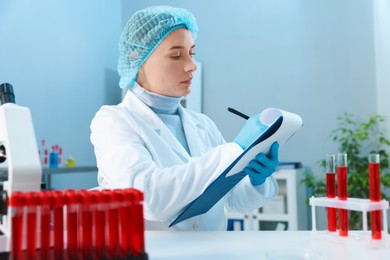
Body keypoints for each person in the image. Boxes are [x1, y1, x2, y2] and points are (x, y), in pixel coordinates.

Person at [90, 6, 279, 231]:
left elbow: (234, 200)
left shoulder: (203, 124)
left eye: (191, 53)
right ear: (137, 58)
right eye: (176, 55)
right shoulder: (114, 122)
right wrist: (234, 151)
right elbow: (147, 197)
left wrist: (256, 180)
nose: (191, 66)